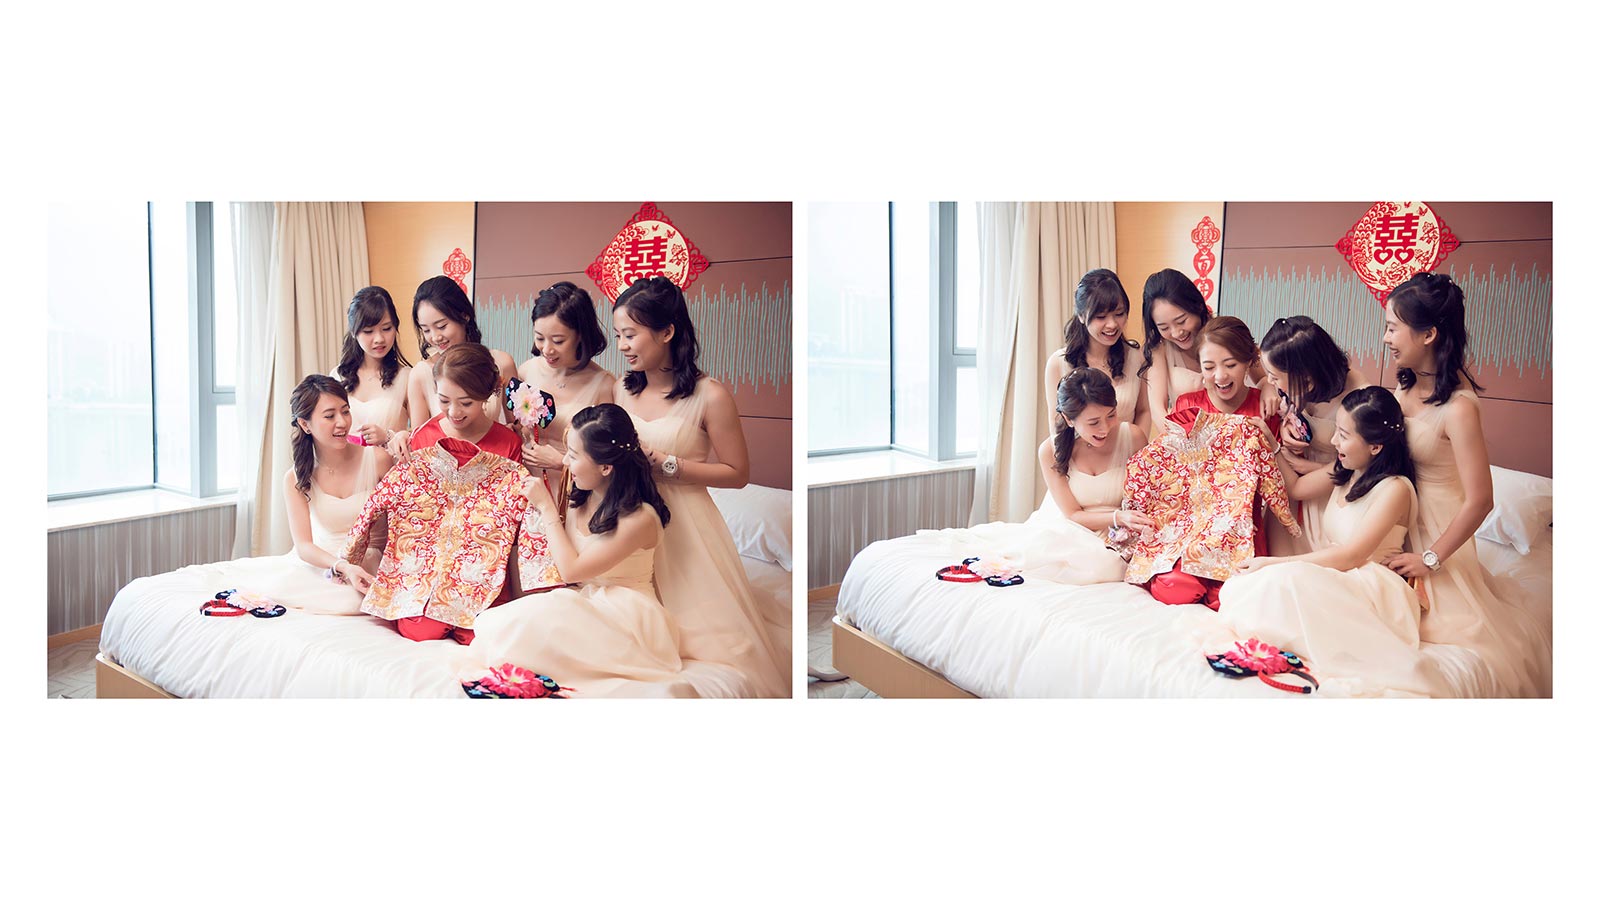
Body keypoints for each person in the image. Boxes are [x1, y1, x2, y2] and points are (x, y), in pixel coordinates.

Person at [611, 275, 789, 697]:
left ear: (667, 332)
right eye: (618, 335)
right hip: (631, 518)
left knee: (707, 638)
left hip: (685, 525)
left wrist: (668, 465)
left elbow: (737, 473)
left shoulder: (711, 395)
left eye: (631, 334)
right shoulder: (620, 389)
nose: (622, 346)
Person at [1214, 387, 1448, 697]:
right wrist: (1272, 445)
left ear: (1375, 446)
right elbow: (1296, 489)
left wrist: (1274, 562)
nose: (1334, 441)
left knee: (1284, 580)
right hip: (1340, 573)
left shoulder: (1395, 489)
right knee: (1244, 586)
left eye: (1343, 435)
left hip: (1373, 586)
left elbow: (1353, 555)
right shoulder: (1347, 469)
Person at [1380, 272, 1549, 696]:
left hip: (1435, 532)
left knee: (1422, 629)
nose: (1386, 338)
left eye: (1393, 327)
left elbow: (1481, 500)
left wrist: (1430, 560)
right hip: (1397, 518)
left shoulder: (1458, 407)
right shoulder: (1403, 387)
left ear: (1429, 334)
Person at [469, 404, 689, 697]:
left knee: (516, 633)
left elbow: (571, 570)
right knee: (499, 627)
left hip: (627, 617)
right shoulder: (582, 494)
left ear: (605, 467)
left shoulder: (639, 519)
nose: (565, 462)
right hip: (584, 601)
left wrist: (546, 506)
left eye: (572, 455)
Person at [360, 344, 523, 643]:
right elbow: (412, 509)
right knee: (420, 631)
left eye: (466, 403)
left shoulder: (508, 443)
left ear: (487, 395)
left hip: (481, 565)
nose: (454, 412)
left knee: (480, 634)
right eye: (444, 400)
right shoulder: (424, 435)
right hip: (428, 564)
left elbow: (508, 517)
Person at [223, 375, 391, 614]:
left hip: (372, 563)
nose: (342, 422)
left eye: (345, 411)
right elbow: (304, 546)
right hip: (325, 563)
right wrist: (342, 567)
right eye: (329, 416)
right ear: (305, 424)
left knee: (350, 602)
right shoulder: (295, 478)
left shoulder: (378, 460)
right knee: (276, 593)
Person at [1257, 315, 1372, 553]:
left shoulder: (1360, 401)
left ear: (1307, 381)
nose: (1269, 380)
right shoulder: (1298, 378)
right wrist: (1286, 419)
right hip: (1292, 480)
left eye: (1274, 377)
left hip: (1330, 487)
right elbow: (1268, 386)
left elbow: (1362, 467)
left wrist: (1303, 464)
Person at [514, 281, 616, 486]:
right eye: (540, 338)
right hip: (527, 484)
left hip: (572, 489)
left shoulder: (604, 385)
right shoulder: (526, 370)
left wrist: (561, 463)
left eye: (558, 341)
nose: (547, 349)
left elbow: (608, 462)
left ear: (580, 335)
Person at [1036, 367, 1153, 541]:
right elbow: (1072, 514)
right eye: (1093, 423)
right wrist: (1118, 517)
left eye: (1111, 415)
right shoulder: (1049, 451)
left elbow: (1149, 496)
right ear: (1068, 419)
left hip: (1125, 535)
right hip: (1073, 533)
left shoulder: (1133, 437)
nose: (1105, 428)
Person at [1139, 269, 1275, 419]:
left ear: (1197, 306)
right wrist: (1177, 433)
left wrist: (1268, 388)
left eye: (1181, 321)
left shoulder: (1224, 332)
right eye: (1164, 328)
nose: (1177, 333)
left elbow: (1262, 377)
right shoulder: (1158, 350)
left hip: (1238, 421)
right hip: (1186, 429)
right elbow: (1158, 409)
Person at [400, 275, 518, 435]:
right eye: (426, 330)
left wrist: (513, 431)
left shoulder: (502, 363)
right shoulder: (420, 374)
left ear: (464, 315)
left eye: (441, 326)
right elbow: (420, 440)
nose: (435, 337)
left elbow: (517, 426)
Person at [1043, 269, 1150, 436]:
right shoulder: (1058, 363)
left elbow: (1143, 411)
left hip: (1130, 451)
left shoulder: (1137, 357)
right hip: (1078, 453)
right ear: (1081, 315)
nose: (1112, 324)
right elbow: (1057, 424)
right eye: (1101, 317)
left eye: (1119, 314)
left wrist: (1137, 449)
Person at [334, 286, 411, 449]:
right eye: (368, 331)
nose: (379, 339)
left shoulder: (407, 378)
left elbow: (423, 438)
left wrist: (388, 437)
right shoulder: (338, 376)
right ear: (354, 332)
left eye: (387, 328)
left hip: (389, 464)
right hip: (345, 464)